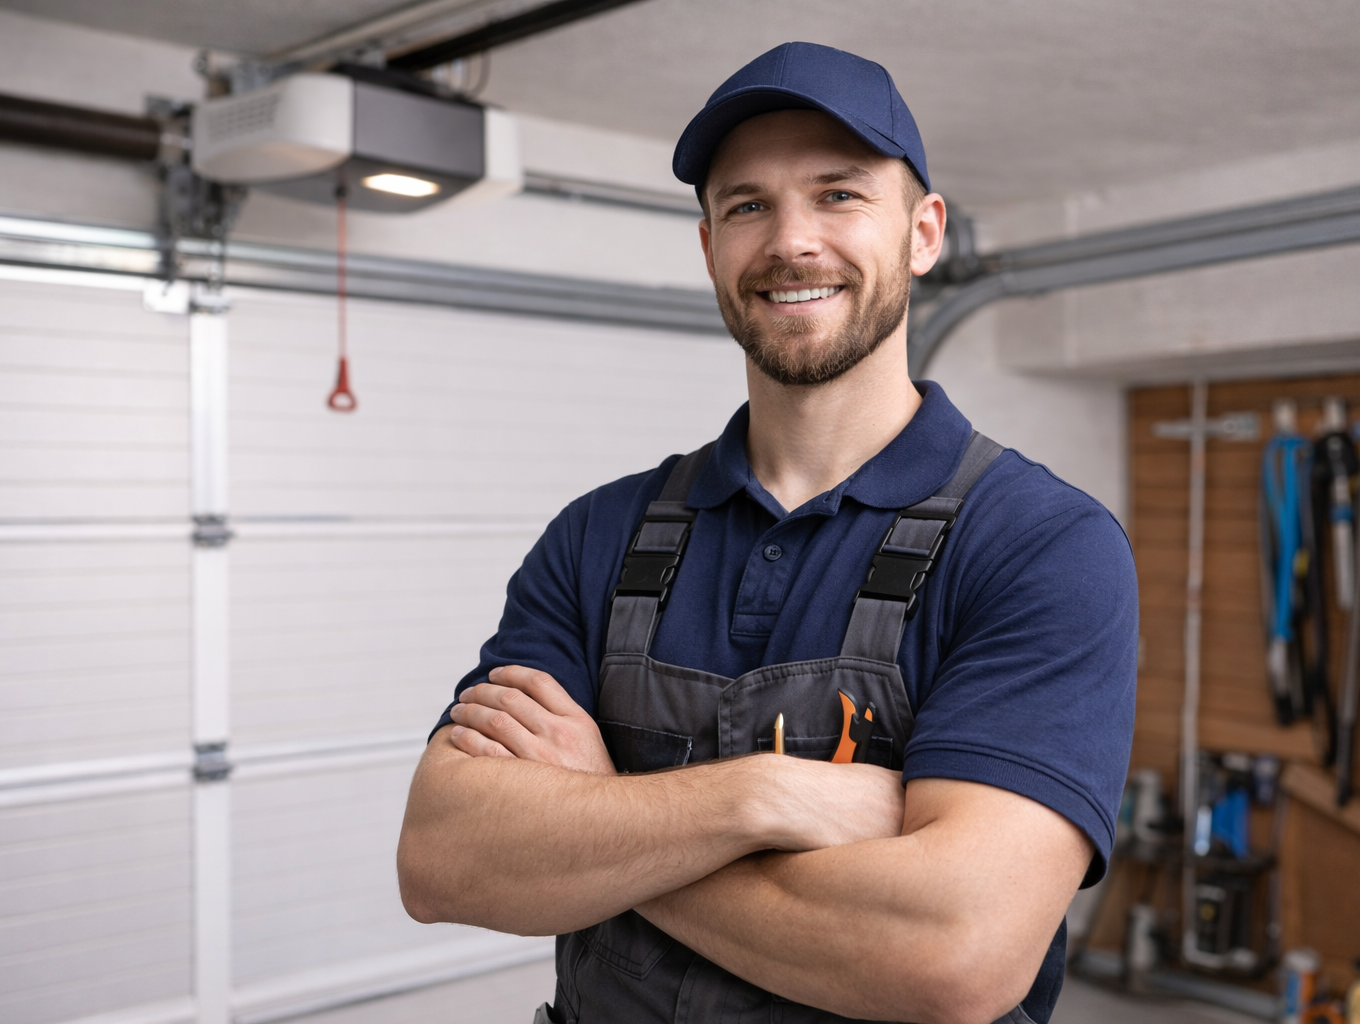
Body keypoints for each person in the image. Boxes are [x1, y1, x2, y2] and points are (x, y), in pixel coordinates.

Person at [397, 41, 1136, 1024]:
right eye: (748, 205)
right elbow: (444, 858)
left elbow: (956, 954)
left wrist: (608, 816)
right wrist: (759, 798)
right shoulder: (598, 536)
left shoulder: (1043, 547)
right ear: (710, 247)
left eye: (839, 195)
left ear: (923, 233)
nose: (791, 241)